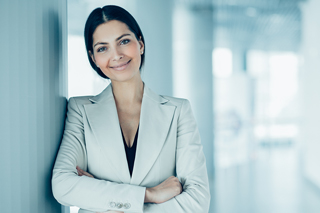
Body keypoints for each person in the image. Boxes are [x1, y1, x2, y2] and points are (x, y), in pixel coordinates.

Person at [52, 5, 210, 213]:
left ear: (141, 44)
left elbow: (198, 200)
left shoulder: (178, 111)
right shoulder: (80, 110)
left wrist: (102, 198)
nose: (116, 55)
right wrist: (150, 194)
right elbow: (63, 185)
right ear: (93, 58)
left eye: (124, 41)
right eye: (102, 48)